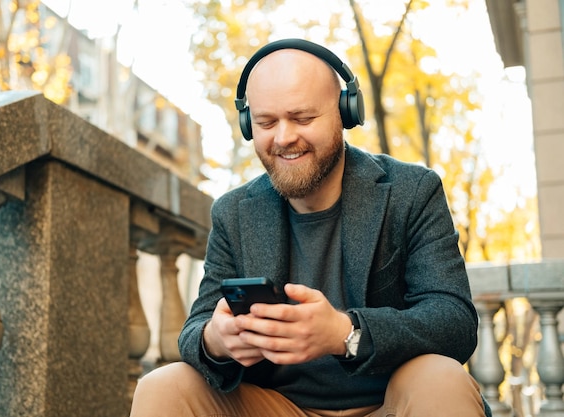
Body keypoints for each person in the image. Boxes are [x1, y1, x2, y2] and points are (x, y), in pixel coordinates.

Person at [130, 38, 491, 417]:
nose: (284, 138)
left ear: (344, 113)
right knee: (162, 386)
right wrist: (217, 339)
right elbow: (196, 328)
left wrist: (343, 333)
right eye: (267, 122)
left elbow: (454, 322)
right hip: (275, 408)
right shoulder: (233, 213)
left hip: (392, 404)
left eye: (302, 118)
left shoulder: (412, 192)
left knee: (441, 376)